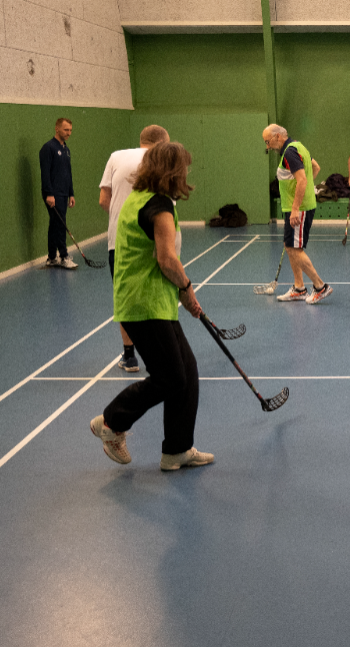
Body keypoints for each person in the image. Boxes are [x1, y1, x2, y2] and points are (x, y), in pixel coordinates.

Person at [90, 142, 214, 471]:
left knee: (186, 372)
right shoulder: (159, 206)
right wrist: (188, 291)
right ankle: (112, 422)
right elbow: (167, 260)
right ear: (171, 171)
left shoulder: (137, 198)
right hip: (143, 304)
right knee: (171, 377)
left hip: (154, 301)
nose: (186, 173)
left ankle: (177, 449)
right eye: (182, 168)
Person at [99, 125, 170, 373]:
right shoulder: (163, 159)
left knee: (125, 300)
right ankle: (160, 352)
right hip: (153, 238)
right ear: (161, 143)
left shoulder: (116, 157)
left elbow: (103, 200)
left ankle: (130, 356)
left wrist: (126, 220)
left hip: (119, 241)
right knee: (157, 295)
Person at [262, 124, 333, 304]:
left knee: (295, 249)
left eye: (268, 142)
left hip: (298, 209)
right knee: (289, 246)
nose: (267, 147)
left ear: (278, 136)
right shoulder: (298, 147)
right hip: (296, 206)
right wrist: (306, 189)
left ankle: (320, 287)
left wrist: (295, 207)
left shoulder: (289, 153)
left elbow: (302, 179)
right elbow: (315, 167)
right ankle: (299, 288)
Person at [39, 118, 77, 269]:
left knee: (55, 224)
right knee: (61, 225)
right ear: (57, 129)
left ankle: (52, 257)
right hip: (53, 194)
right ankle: (63, 256)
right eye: (66, 130)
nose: (69, 133)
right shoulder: (48, 148)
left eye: (70, 130)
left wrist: (71, 194)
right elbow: (45, 173)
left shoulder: (66, 149)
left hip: (63, 194)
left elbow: (68, 173)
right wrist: (49, 194)